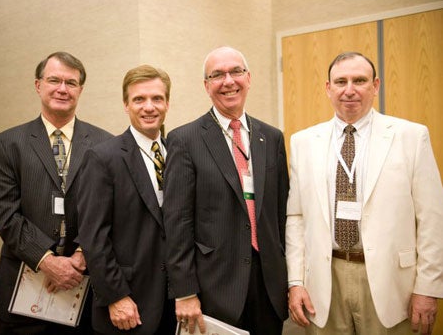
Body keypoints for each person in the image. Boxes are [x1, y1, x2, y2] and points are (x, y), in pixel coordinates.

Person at [286, 51, 443, 335]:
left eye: (359, 80)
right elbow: (296, 217)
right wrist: (295, 281)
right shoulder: (303, 142)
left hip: (392, 283)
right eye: (340, 81)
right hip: (325, 278)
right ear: (328, 88)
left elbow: (433, 219)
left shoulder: (410, 136)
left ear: (376, 86)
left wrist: (428, 287)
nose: (349, 90)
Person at [163, 46, 289, 335]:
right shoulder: (185, 139)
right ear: (206, 86)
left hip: (269, 284)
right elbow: (177, 222)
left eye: (236, 72)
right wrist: (184, 291)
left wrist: (291, 281)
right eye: (217, 75)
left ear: (249, 78)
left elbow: (281, 214)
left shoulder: (271, 137)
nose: (228, 81)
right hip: (215, 285)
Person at [0, 51, 113, 334]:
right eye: (54, 80)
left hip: (85, 286)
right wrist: (47, 261)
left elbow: (109, 210)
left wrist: (82, 256)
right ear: (38, 85)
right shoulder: (8, 144)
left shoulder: (105, 144)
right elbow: (5, 214)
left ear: (80, 90)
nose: (62, 89)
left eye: (70, 83)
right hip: (25, 286)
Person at [77, 64, 176, 334]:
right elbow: (93, 236)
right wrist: (115, 296)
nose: (149, 107)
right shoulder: (103, 158)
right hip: (128, 301)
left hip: (176, 302)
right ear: (126, 105)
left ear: (167, 103)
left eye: (157, 98)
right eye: (139, 99)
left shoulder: (178, 154)